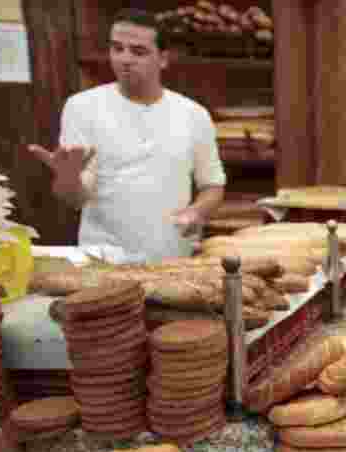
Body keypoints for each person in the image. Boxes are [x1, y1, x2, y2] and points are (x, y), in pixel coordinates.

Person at [28, 9, 225, 262]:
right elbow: (76, 198)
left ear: (163, 59)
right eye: (117, 48)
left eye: (138, 51)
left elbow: (212, 185)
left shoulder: (193, 114)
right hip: (103, 261)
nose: (124, 59)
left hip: (173, 260)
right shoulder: (82, 107)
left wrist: (197, 212)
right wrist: (66, 178)